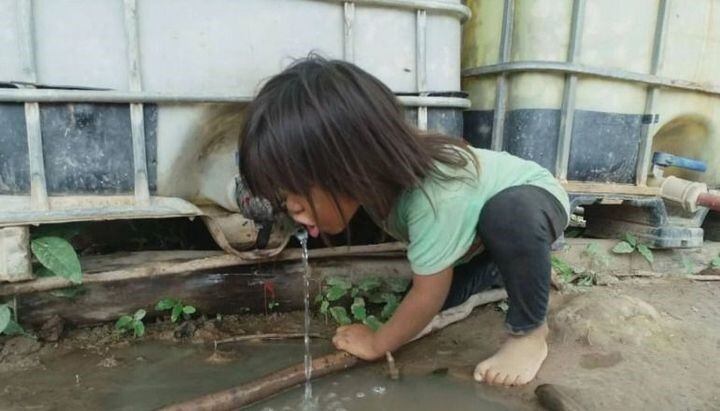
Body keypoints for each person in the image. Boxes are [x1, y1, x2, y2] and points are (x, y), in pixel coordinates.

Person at [239, 56, 570, 386]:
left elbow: (428, 295)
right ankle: (506, 269)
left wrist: (378, 342)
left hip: (532, 200)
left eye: (297, 190)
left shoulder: (437, 196)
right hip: (476, 231)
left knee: (500, 223)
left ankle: (529, 333)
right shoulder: (379, 179)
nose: (292, 207)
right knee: (432, 306)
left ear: (351, 166)